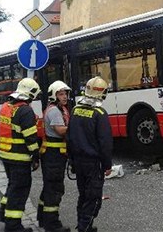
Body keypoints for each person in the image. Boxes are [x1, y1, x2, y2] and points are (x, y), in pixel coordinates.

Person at [67, 76, 113, 232]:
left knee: (83, 195)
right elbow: (105, 143)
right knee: (93, 199)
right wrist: (107, 165)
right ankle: (84, 228)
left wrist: (72, 161)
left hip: (78, 162)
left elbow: (70, 138)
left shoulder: (75, 109)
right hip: (93, 164)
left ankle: (85, 225)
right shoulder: (99, 113)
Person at [0, 78, 41, 232]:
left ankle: (4, 214)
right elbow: (31, 138)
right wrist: (35, 156)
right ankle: (13, 226)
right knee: (19, 191)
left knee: (12, 186)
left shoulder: (6, 106)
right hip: (19, 158)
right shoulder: (25, 110)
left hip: (6, 155)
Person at [37, 80, 72, 232]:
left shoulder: (59, 109)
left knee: (49, 187)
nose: (64, 97)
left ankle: (42, 217)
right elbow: (60, 130)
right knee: (55, 189)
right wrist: (77, 126)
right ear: (54, 96)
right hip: (53, 156)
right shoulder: (54, 111)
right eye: (61, 94)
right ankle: (52, 224)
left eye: (65, 94)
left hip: (53, 155)